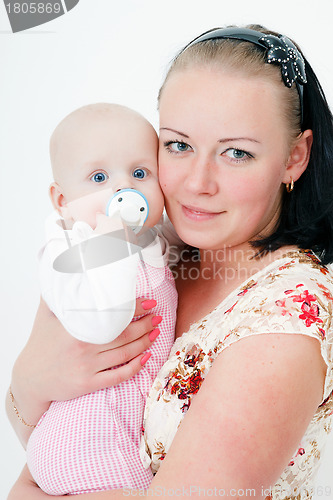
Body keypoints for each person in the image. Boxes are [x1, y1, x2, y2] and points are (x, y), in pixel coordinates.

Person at [7, 24, 333, 500]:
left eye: (236, 153)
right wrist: (27, 382)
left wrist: (26, 402)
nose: (197, 182)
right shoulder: (151, 252)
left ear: (294, 157)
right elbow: (56, 452)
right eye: (179, 145)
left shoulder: (284, 318)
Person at [18, 103, 178, 495]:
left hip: (123, 427)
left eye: (140, 173)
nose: (124, 190)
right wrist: (112, 244)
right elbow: (101, 324)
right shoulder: (67, 251)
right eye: (99, 177)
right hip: (86, 437)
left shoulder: (151, 242)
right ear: (62, 201)